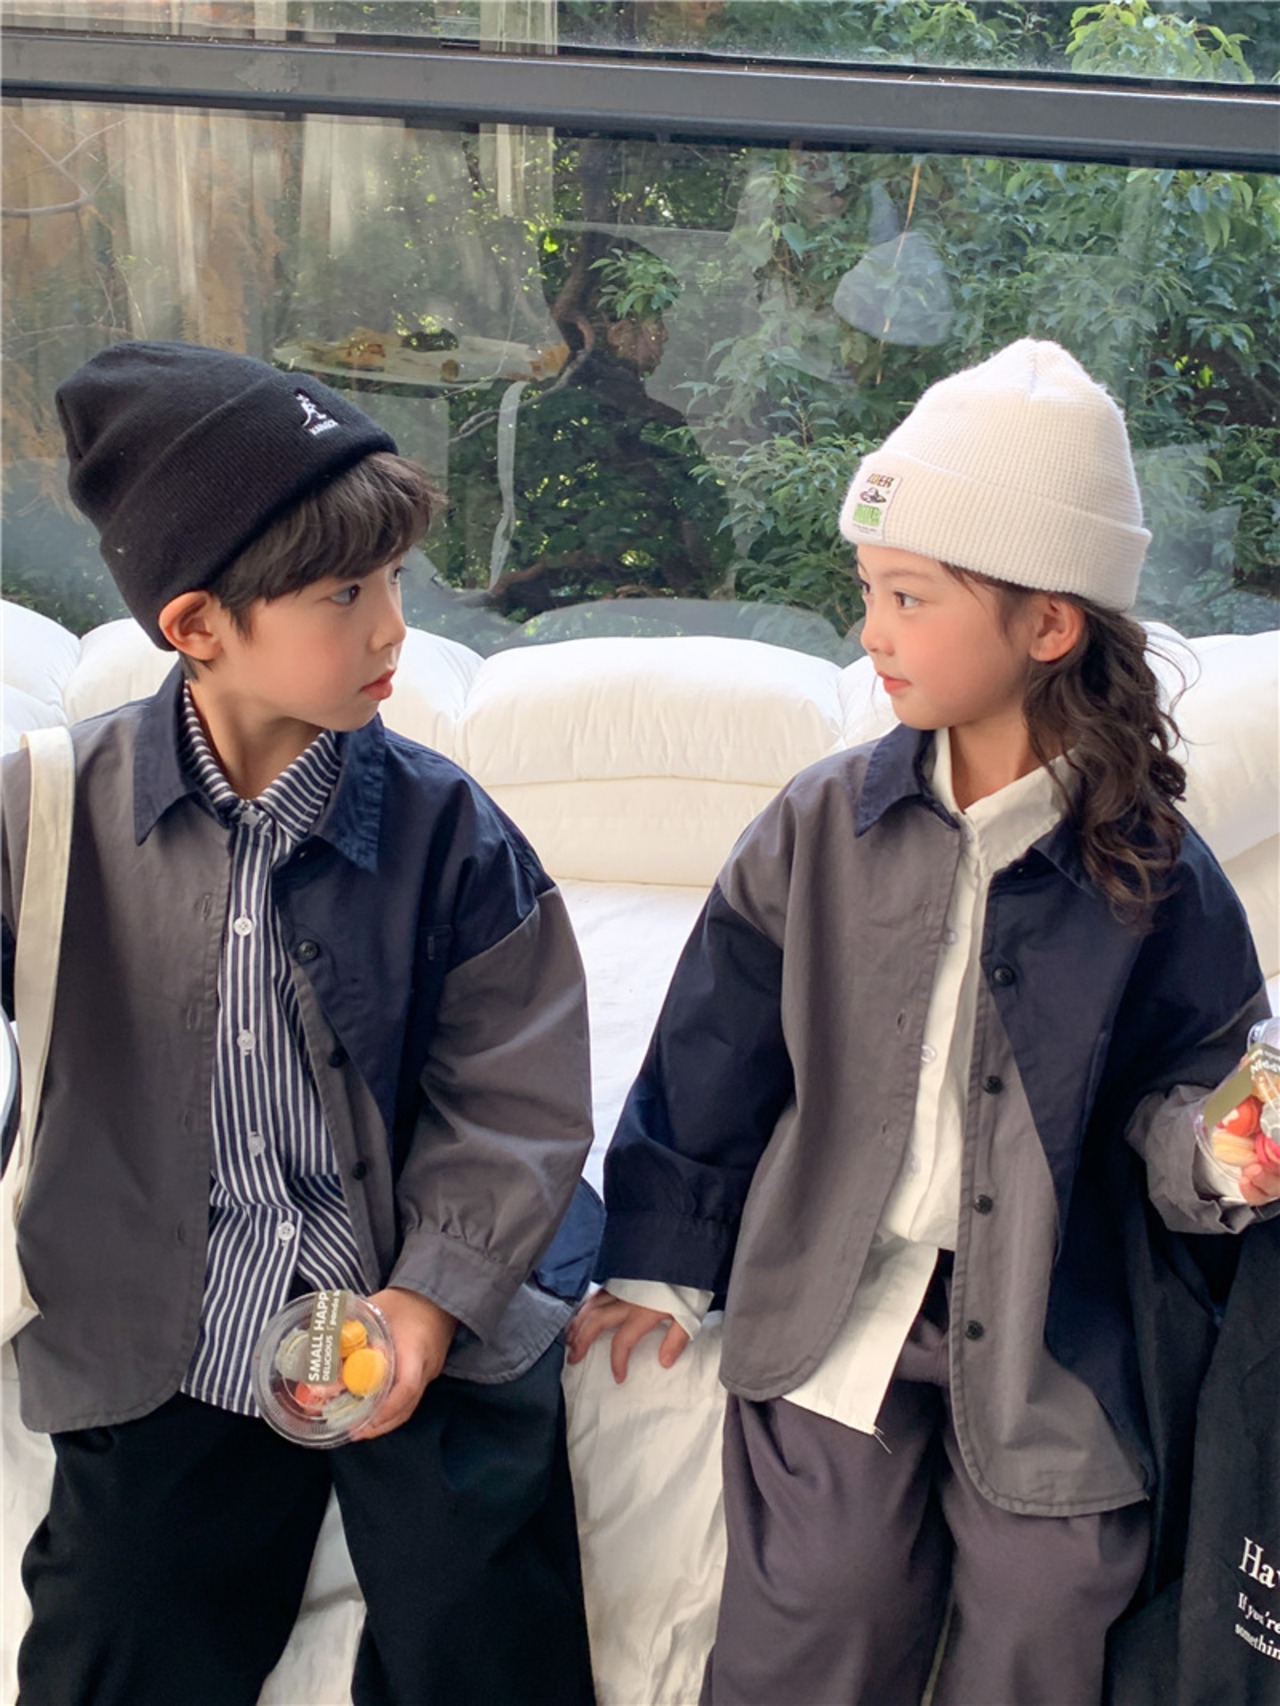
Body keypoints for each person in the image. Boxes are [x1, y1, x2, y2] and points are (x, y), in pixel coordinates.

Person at [567, 338, 1280, 1705]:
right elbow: (714, 1049)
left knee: (1058, 1595)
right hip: (840, 1295)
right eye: (867, 592)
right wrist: (660, 1260)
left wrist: (1223, 1154)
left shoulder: (1155, 872)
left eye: (907, 597)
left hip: (1054, 1318)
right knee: (820, 1594)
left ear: (1048, 626)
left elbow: (1188, 1089)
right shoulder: (818, 826)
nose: (871, 633)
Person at [2, 341, 599, 1706]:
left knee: (482, 1623)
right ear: (197, 624)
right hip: (168, 1320)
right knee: (115, 1633)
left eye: (392, 580)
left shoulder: (450, 830)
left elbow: (515, 1090)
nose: (393, 628)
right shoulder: (44, 814)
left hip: (405, 1289)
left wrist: (431, 1302)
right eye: (344, 594)